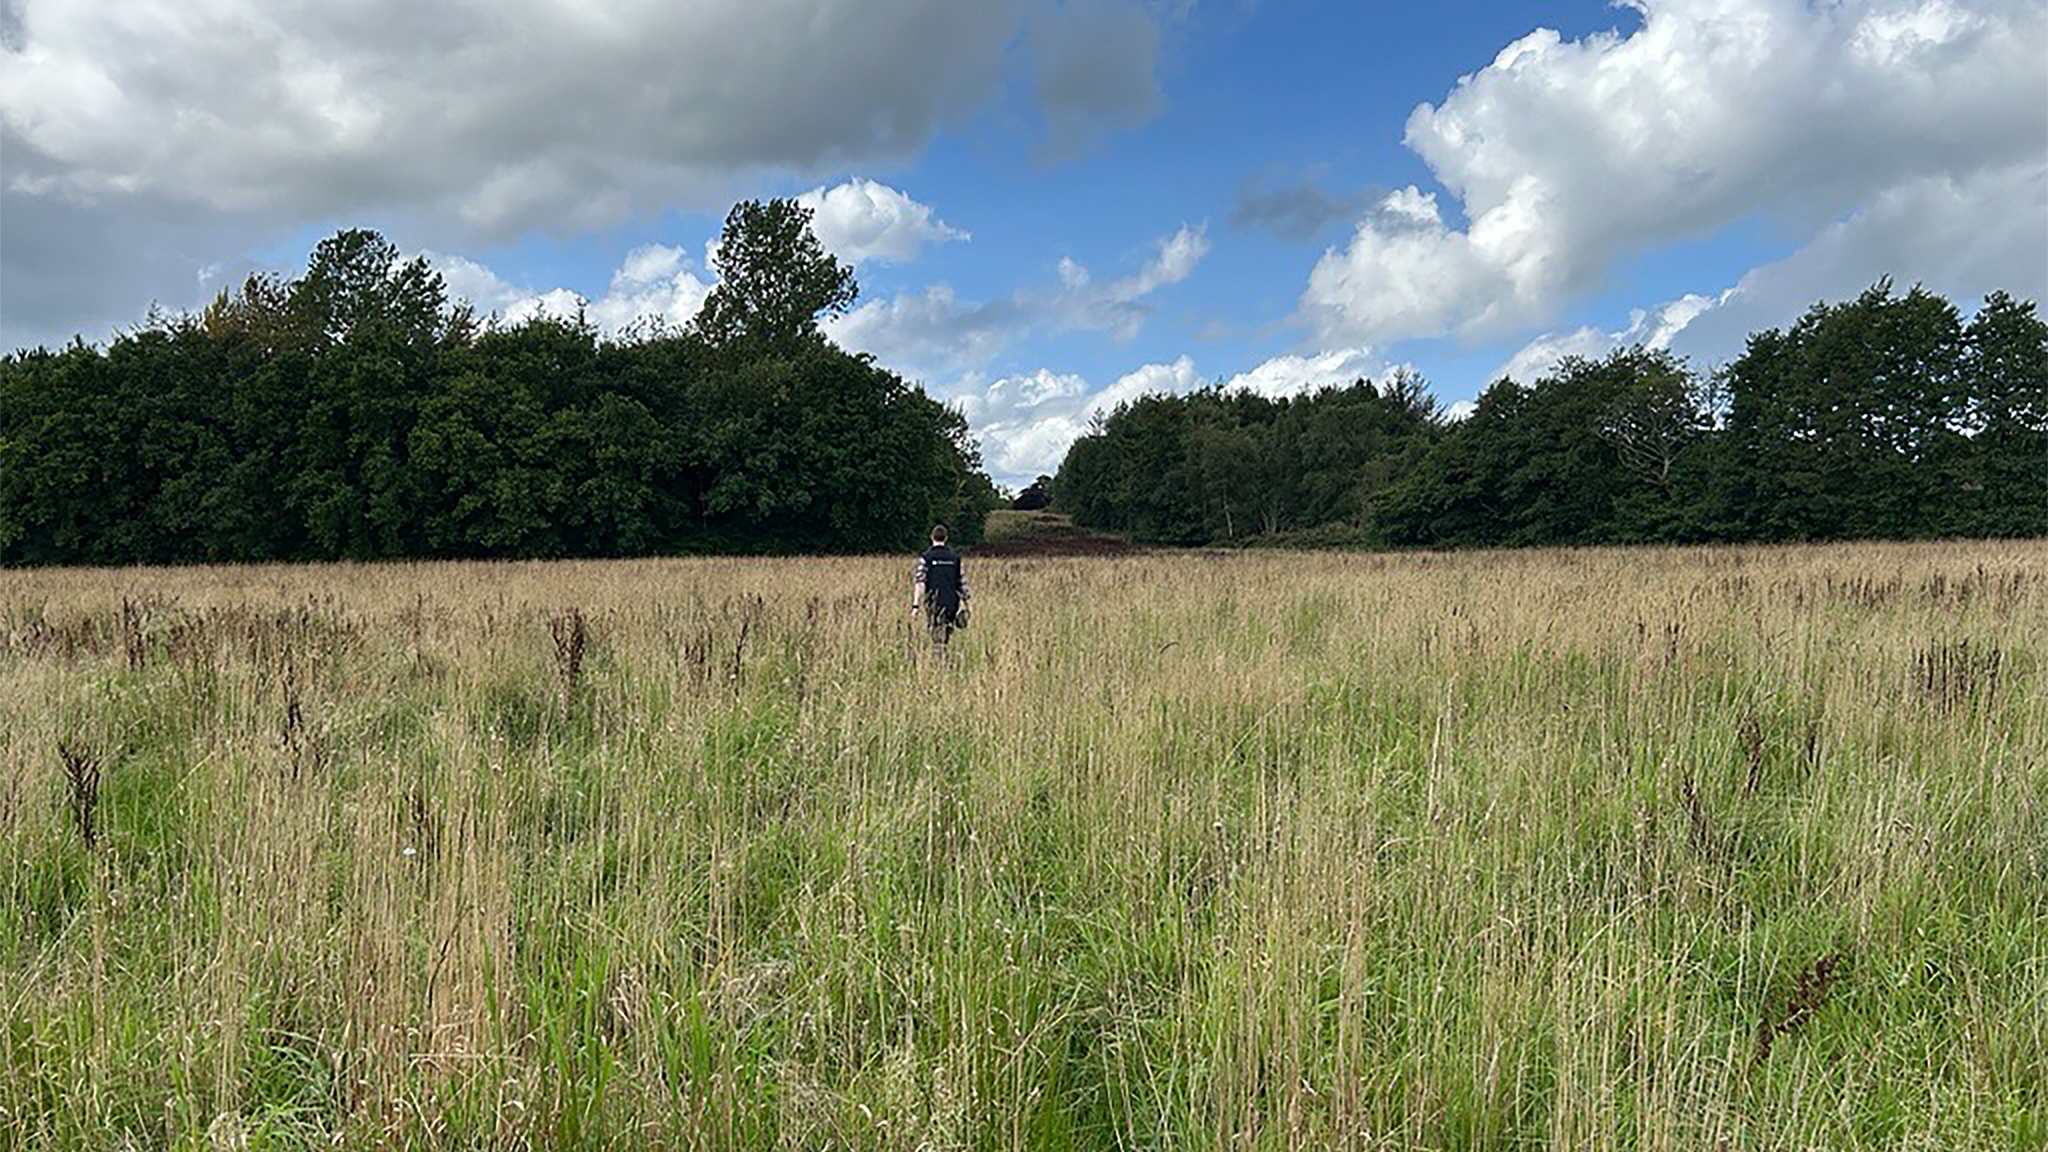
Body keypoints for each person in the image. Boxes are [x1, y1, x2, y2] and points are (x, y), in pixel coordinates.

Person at [911, 523, 970, 652]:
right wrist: (967, 604)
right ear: (946, 538)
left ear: (931, 537)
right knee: (946, 634)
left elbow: (920, 582)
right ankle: (943, 656)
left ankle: (939, 661)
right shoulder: (955, 558)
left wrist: (916, 605)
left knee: (936, 634)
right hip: (952, 603)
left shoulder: (926, 558)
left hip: (933, 603)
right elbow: (962, 584)